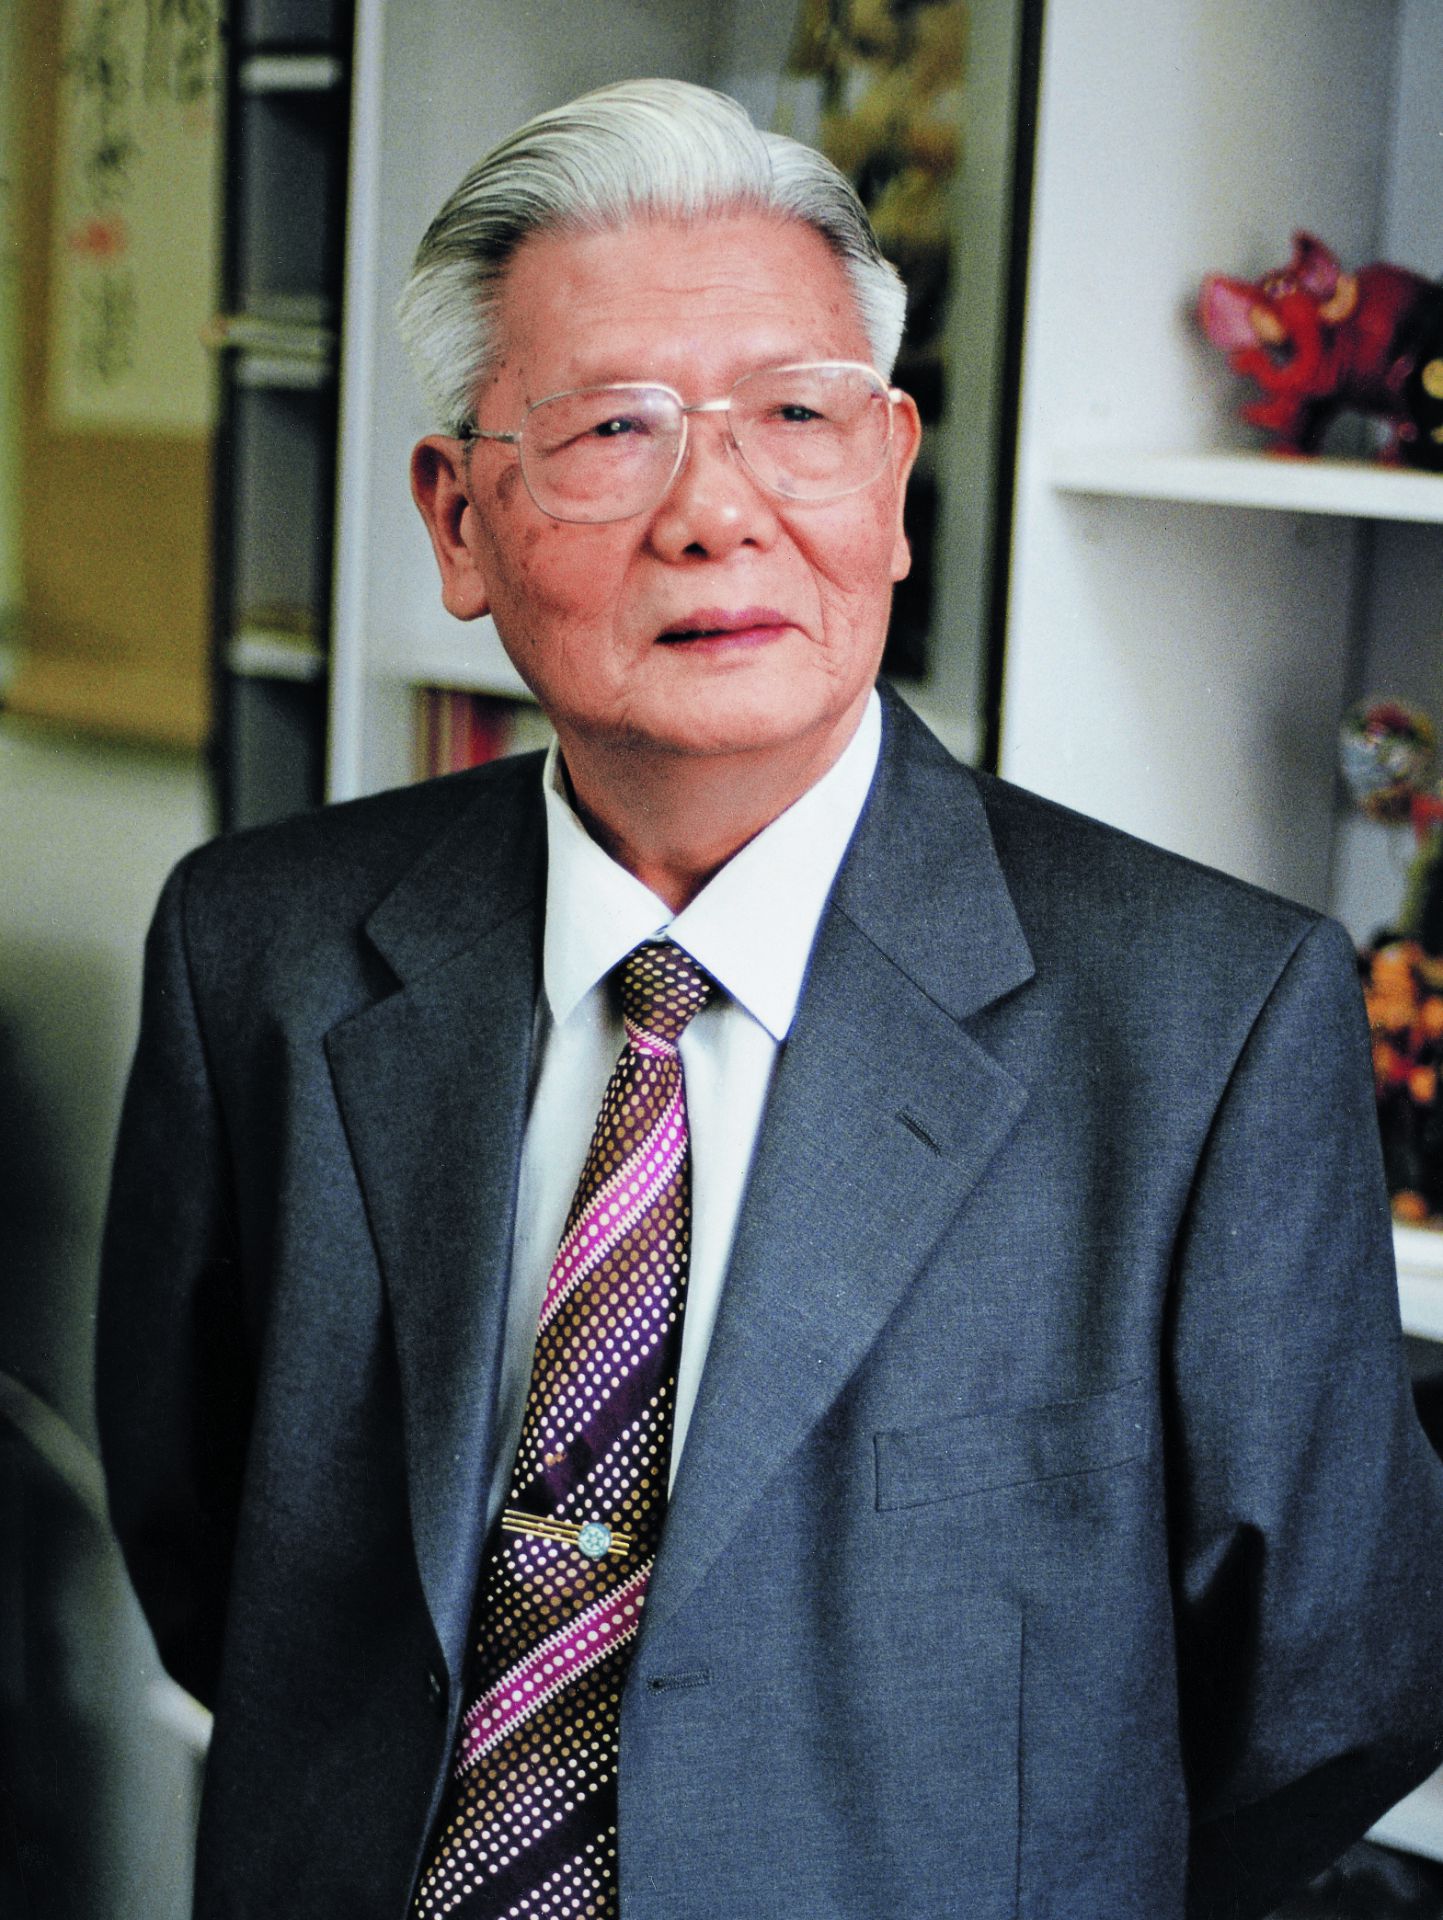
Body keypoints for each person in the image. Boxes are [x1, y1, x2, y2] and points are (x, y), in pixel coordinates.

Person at [97, 79, 1443, 1920]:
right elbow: (213, 1550)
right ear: (458, 520)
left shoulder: (1204, 1020)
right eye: (613, 428)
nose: (716, 512)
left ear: (891, 479)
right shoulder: (260, 947)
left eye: (796, 417)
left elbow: (1336, 1691)